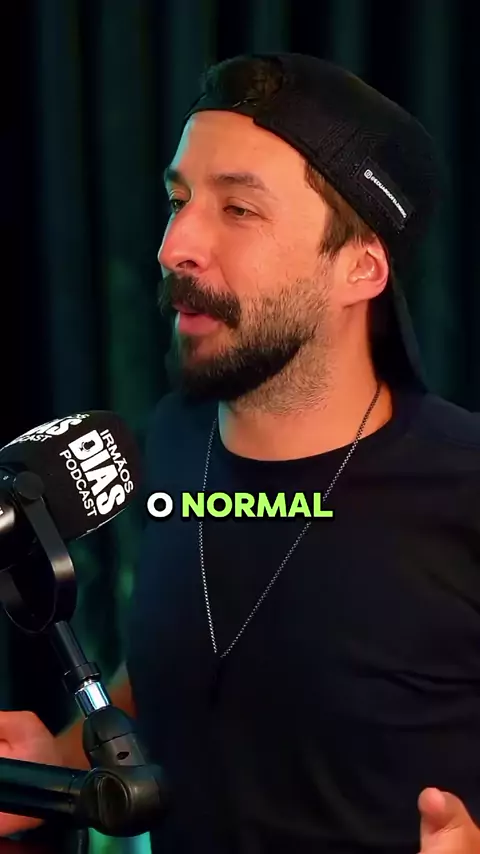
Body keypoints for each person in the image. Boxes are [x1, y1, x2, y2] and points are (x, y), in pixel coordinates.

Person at [0, 52, 479, 854]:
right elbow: (188, 669)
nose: (174, 245)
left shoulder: (463, 488)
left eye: (239, 209)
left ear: (359, 266)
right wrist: (64, 759)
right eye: (178, 200)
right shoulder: (173, 440)